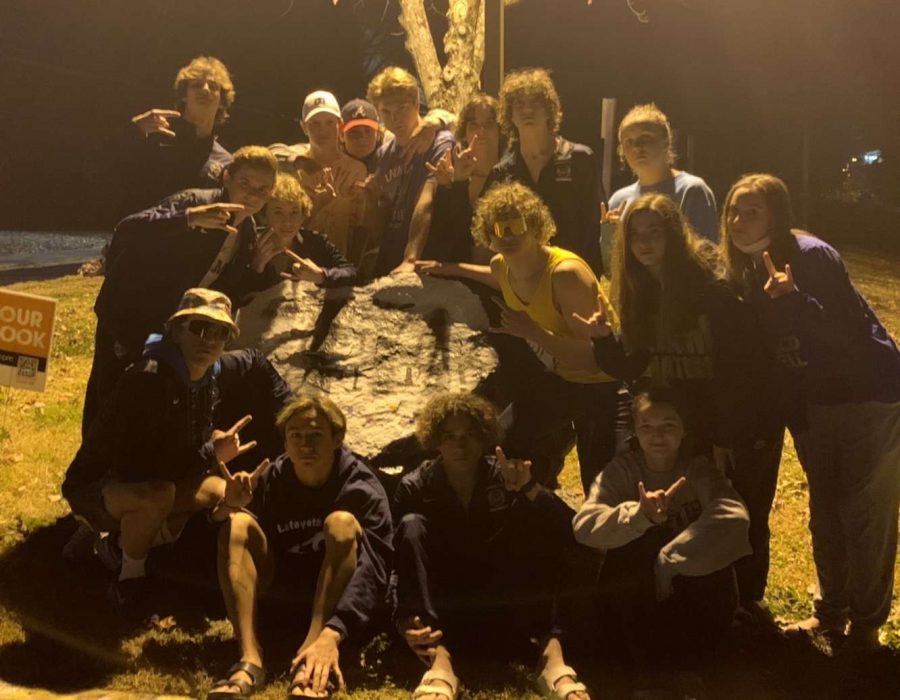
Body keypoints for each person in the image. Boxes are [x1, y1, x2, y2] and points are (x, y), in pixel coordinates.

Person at [567, 193, 783, 611]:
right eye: (635, 235)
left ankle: (747, 603)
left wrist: (725, 436)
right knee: (687, 505)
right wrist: (603, 341)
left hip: (732, 418)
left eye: (655, 232)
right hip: (680, 421)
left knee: (741, 506)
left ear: (674, 235)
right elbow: (635, 366)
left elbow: (740, 370)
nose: (644, 242)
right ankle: (681, 591)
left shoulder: (709, 287)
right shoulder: (640, 290)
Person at [720, 173, 900, 652]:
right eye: (733, 210)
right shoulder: (740, 269)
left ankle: (867, 628)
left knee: (864, 512)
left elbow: (850, 336)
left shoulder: (809, 256)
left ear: (778, 214)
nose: (739, 220)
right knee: (825, 510)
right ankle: (832, 614)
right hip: (814, 405)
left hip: (865, 396)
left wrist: (796, 302)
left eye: (752, 210)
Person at [63, 289, 265, 613]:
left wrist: (214, 442)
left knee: (218, 493)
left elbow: (185, 443)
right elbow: (138, 467)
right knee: (159, 496)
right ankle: (130, 578)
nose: (209, 340)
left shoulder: (203, 378)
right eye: (199, 328)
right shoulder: (148, 379)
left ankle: (112, 546)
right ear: (175, 330)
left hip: (153, 479)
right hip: (98, 485)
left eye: (220, 332)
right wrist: (212, 454)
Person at [416, 182, 621, 492]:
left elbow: (595, 360)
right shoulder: (503, 265)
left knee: (599, 484)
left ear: (535, 226)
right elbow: (494, 277)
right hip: (562, 378)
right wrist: (448, 268)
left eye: (515, 226)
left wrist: (533, 332)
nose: (507, 235)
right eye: (498, 228)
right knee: (503, 439)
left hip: (602, 387)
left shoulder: (566, 275)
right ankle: (528, 500)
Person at [392, 393, 590, 700]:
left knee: (531, 516)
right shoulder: (417, 486)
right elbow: (401, 560)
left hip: (505, 600)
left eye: (470, 436)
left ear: (484, 437)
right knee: (411, 524)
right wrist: (403, 617)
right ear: (435, 440)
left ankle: (551, 658)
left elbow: (569, 529)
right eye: (450, 437)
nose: (460, 446)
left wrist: (530, 488)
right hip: (448, 606)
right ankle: (439, 664)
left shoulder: (504, 475)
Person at [83, 146, 279, 435]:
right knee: (109, 395)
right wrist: (188, 218)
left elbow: (226, 295)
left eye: (262, 190)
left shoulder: (247, 234)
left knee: (149, 401)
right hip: (129, 317)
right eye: (245, 184)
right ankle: (89, 476)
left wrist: (258, 268)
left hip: (172, 328)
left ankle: (135, 470)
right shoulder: (195, 201)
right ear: (226, 177)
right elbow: (127, 229)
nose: (252, 195)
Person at [207, 395, 393, 698]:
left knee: (342, 522)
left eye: (316, 436)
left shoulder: (360, 486)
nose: (306, 446)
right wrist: (228, 505)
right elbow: (230, 551)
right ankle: (249, 659)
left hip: (334, 608)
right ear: (285, 442)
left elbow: (377, 565)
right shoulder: (273, 478)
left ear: (337, 439)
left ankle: (312, 654)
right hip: (282, 599)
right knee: (237, 523)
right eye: (296, 436)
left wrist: (337, 629)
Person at [573, 388, 750, 697]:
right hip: (637, 597)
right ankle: (647, 675)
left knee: (709, 558)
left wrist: (670, 559)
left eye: (668, 426)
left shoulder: (697, 470)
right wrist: (639, 516)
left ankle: (689, 667)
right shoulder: (623, 471)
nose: (658, 436)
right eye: (647, 427)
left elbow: (734, 517)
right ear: (635, 434)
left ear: (684, 431)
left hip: (684, 584)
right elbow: (585, 526)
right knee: (632, 553)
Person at [488, 69, 604, 276]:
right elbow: (491, 235)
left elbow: (594, 228)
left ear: (549, 110)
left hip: (574, 278)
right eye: (520, 104)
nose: (527, 110)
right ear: (510, 115)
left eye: (535, 103)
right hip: (524, 285)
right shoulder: (502, 172)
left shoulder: (580, 159)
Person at [601, 104, 718, 274]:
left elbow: (707, 261)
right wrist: (611, 234)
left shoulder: (692, 190)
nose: (637, 147)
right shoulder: (618, 200)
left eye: (645, 138)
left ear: (666, 141)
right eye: (629, 141)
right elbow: (611, 270)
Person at [118, 56, 235, 219]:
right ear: (184, 95)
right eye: (197, 85)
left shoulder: (226, 162)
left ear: (222, 100)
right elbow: (108, 169)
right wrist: (133, 130)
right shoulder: (153, 134)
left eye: (213, 86)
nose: (205, 89)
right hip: (139, 238)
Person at [367, 66, 455, 276]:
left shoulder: (438, 141)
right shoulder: (383, 154)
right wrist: (370, 199)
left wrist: (411, 258)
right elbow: (384, 217)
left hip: (428, 257)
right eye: (385, 112)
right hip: (390, 258)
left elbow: (427, 200)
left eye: (401, 109)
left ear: (416, 103)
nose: (394, 119)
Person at [269, 91, 373, 265]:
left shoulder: (356, 170)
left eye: (329, 122)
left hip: (339, 265)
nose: (322, 130)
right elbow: (268, 154)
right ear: (304, 127)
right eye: (315, 123)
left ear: (340, 125)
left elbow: (358, 227)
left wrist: (353, 268)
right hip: (297, 263)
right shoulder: (292, 167)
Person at [423, 93, 504, 264]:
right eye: (474, 125)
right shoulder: (451, 173)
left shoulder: (510, 173)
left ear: (500, 129)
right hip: (456, 278)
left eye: (488, 124)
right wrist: (450, 186)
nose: (481, 132)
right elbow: (447, 237)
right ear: (464, 132)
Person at [258, 173, 359, 287]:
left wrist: (322, 275)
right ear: (264, 215)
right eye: (278, 212)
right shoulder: (250, 243)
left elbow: (352, 272)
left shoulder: (315, 242)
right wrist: (256, 268)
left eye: (294, 212)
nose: (287, 222)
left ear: (303, 215)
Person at [341, 98, 384, 173]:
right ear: (341, 136)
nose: (362, 138)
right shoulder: (330, 167)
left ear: (378, 134)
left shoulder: (391, 162)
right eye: (354, 132)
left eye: (368, 131)